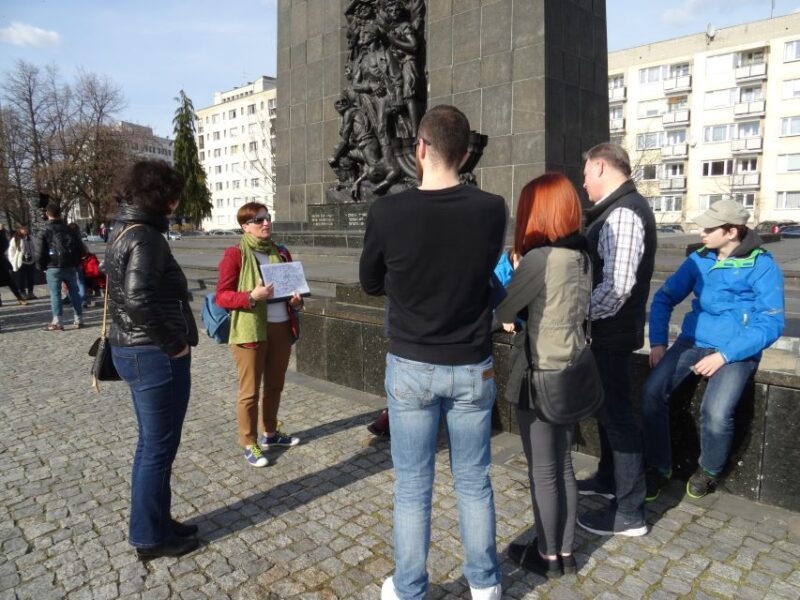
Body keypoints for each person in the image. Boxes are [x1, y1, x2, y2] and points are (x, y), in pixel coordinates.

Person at [360, 105, 506, 600]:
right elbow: (480, 272)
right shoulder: (491, 208)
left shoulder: (386, 212)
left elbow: (369, 281)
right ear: (465, 154)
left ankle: (409, 587)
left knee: (412, 485)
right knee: (473, 480)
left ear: (419, 149)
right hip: (471, 365)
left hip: (412, 366)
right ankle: (485, 585)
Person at [642, 199, 784, 501]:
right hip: (692, 341)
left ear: (732, 231)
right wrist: (657, 342)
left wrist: (725, 355)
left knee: (716, 412)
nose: (701, 233)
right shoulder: (699, 259)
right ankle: (659, 465)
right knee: (652, 392)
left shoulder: (761, 264)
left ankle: (708, 470)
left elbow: (771, 323)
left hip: (736, 350)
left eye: (709, 229)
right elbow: (664, 298)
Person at [495, 173, 591, 579]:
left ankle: (547, 555)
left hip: (539, 376)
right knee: (565, 465)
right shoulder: (582, 257)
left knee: (543, 471)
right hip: (572, 370)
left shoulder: (539, 260)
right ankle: (566, 553)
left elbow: (504, 310)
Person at [106, 160, 200, 559]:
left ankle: (158, 520)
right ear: (162, 196)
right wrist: (173, 344)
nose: (178, 203)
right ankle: (149, 536)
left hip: (136, 349)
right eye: (174, 195)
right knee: (157, 447)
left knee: (156, 444)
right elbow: (138, 297)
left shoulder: (125, 230)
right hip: (153, 353)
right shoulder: (145, 237)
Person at [576, 142, 656, 537]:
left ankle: (629, 512)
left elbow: (618, 286)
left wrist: (579, 312)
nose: (584, 183)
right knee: (609, 413)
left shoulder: (622, 213)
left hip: (611, 332)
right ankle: (609, 480)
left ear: (602, 167)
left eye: (586, 174)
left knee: (619, 418)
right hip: (610, 332)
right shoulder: (617, 210)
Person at [215, 202, 302, 468]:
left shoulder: (280, 252)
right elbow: (222, 295)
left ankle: (271, 433)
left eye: (267, 218)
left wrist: (297, 300)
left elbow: (292, 291)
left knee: (275, 385)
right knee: (250, 391)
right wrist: (251, 296)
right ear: (245, 226)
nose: (266, 223)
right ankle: (248, 442)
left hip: (280, 326)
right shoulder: (235, 254)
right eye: (258, 219)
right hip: (250, 329)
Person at [36, 204, 83, 331]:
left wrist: (41, 266)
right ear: (60, 213)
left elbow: (39, 251)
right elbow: (80, 247)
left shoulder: (45, 231)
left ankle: (58, 321)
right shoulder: (70, 230)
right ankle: (79, 318)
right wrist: (76, 262)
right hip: (70, 265)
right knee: (74, 292)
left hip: (53, 266)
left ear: (47, 214)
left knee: (55, 294)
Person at [0, 224, 27, 307]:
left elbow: (5, 245)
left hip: (1, 262)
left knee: (10, 281)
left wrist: (1, 232)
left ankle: (19, 298)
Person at [8, 225, 37, 300]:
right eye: (23, 229)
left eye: (26, 229)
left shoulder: (31, 238)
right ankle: (22, 292)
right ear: (20, 230)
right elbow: (11, 251)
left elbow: (35, 247)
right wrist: (13, 260)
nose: (25, 230)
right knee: (21, 278)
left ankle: (31, 292)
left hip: (31, 260)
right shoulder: (15, 239)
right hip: (21, 261)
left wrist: (35, 256)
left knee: (31, 277)